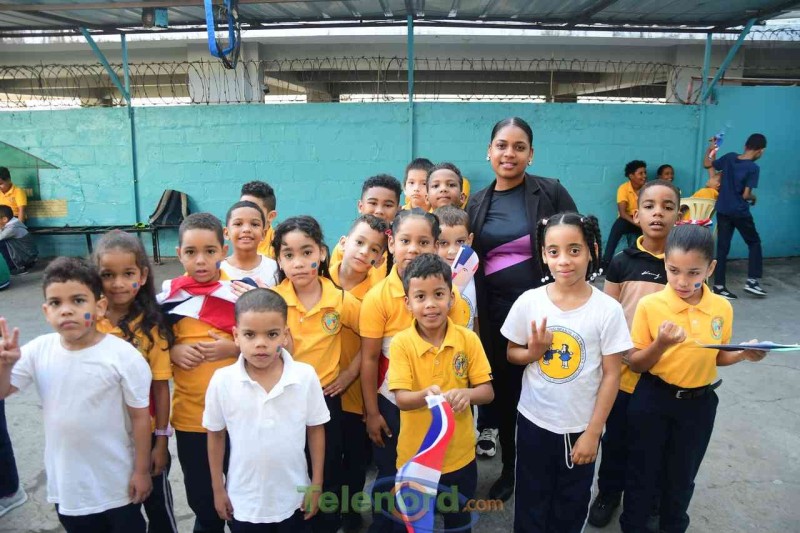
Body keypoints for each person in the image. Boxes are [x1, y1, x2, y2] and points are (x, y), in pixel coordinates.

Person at [619, 223, 768, 533]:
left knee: (682, 474)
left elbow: (718, 356)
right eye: (674, 271)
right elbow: (636, 364)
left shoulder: (721, 308)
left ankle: (673, 524)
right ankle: (633, 524)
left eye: (693, 273)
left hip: (698, 405)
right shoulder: (650, 306)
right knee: (643, 471)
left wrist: (743, 353)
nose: (682, 281)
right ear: (665, 264)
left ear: (710, 269)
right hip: (653, 399)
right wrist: (661, 344)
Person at [466, 116, 577, 500]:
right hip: (496, 316)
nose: (509, 153)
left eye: (519, 147)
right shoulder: (477, 202)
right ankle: (512, 470)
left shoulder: (550, 192)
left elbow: (577, 242)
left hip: (545, 315)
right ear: (489, 151)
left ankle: (554, 467)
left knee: (548, 391)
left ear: (531, 154)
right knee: (507, 395)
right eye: (501, 145)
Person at [0, 257, 152, 532]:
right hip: (69, 487)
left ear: (100, 307)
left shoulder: (123, 357)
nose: (66, 310)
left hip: (117, 484)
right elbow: (3, 391)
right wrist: (5, 366)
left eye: (78, 300)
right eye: (56, 303)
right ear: (46, 311)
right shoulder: (39, 350)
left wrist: (141, 471)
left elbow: (141, 418)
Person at [502, 213, 631, 533]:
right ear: (543, 255)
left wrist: (593, 432)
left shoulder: (607, 310)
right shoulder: (529, 302)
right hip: (533, 422)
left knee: (570, 505)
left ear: (592, 251)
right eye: (554, 251)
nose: (564, 260)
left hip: (580, 428)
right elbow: (512, 353)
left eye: (574, 250)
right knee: (530, 500)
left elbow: (612, 375)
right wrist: (532, 353)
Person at [359, 208, 471, 532]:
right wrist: (372, 413)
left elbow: (461, 350)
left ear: (436, 246)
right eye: (405, 240)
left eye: (423, 242)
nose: (413, 249)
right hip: (393, 405)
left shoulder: (452, 297)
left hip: (440, 405)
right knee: (392, 473)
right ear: (391, 243)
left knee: (440, 472)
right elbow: (369, 359)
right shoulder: (378, 298)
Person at [588, 179, 681, 528]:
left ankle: (650, 498)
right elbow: (607, 314)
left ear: (678, 216)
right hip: (625, 371)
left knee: (655, 443)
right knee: (617, 439)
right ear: (636, 214)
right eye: (649, 206)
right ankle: (609, 492)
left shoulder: (682, 263)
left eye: (668, 207)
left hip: (665, 373)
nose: (658, 213)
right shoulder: (622, 262)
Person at [204, 288, 329, 533]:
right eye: (249, 334)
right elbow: (215, 435)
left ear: (285, 335)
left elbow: (316, 430)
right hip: (244, 501)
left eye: (272, 334)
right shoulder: (222, 381)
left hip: (294, 498)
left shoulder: (304, 376)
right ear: (236, 336)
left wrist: (316, 484)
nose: (260, 343)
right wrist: (218, 489)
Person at [389, 253, 494, 532]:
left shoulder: (468, 339)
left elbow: (487, 392)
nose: (430, 304)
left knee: (458, 523)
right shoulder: (401, 344)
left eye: (438, 294)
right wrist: (425, 394)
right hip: (416, 459)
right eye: (420, 297)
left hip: (460, 459)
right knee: (415, 524)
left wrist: (467, 395)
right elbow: (402, 400)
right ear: (408, 303)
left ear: (451, 298)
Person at [270, 216, 361, 533]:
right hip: (282, 401)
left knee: (327, 470)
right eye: (289, 254)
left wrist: (350, 374)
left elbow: (372, 337)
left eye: (306, 252)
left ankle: (327, 523)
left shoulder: (340, 299)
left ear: (322, 253)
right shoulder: (273, 302)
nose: (298, 262)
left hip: (325, 401)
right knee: (290, 469)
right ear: (279, 259)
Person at [93, 231, 178, 532]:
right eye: (107, 275)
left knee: (159, 510)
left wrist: (161, 441)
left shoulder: (152, 327)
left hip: (147, 433)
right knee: (118, 508)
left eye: (127, 274)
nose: (117, 283)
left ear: (142, 276)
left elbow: (161, 388)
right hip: (104, 437)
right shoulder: (89, 324)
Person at [161, 213, 239, 533]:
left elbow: (268, 344)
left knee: (242, 489)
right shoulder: (167, 301)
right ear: (179, 254)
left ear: (224, 250)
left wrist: (234, 349)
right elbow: (149, 351)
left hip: (239, 416)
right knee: (202, 495)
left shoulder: (241, 294)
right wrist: (173, 352)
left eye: (210, 251)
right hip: (192, 418)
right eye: (191, 252)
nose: (201, 260)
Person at [328, 214, 389, 532]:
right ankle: (326, 511)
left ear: (380, 258)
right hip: (321, 388)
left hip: (354, 392)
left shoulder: (375, 293)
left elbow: (371, 348)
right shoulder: (319, 278)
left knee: (354, 459)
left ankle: (351, 512)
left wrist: (349, 375)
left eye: (374, 249)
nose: (365, 252)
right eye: (359, 242)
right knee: (325, 456)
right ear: (343, 243)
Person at [704, 133, 767, 299]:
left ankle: (719, 286)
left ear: (745, 146)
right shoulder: (753, 168)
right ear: (760, 151)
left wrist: (711, 149)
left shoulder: (730, 157)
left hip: (723, 210)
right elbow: (746, 195)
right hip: (739, 212)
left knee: (722, 248)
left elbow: (708, 164)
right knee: (754, 242)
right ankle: (752, 281)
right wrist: (754, 198)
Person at [329, 174, 403, 278]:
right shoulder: (344, 248)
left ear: (398, 211)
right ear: (360, 206)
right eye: (373, 203)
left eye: (388, 205)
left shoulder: (400, 251)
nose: (379, 211)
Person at [433, 205, 478, 332]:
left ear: (470, 240)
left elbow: (476, 320)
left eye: (460, 242)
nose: (452, 251)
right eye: (443, 243)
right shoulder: (429, 278)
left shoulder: (473, 273)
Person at [221, 201, 279, 288]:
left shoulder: (274, 269)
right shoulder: (217, 271)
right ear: (226, 233)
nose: (246, 229)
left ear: (263, 234)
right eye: (238, 224)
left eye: (254, 224)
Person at [602, 160, 647, 268]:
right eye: (640, 173)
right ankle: (605, 263)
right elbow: (622, 213)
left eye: (645, 173)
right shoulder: (624, 188)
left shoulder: (648, 189)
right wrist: (638, 225)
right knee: (618, 226)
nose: (644, 176)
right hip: (629, 220)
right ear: (631, 176)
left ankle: (648, 262)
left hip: (644, 220)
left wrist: (644, 224)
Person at [240, 181, 278, 259]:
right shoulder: (232, 240)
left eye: (253, 209)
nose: (244, 213)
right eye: (241, 207)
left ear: (271, 216)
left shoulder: (280, 247)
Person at [0, 205, 38, 275]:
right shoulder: (14, 222)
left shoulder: (12, 228)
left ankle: (14, 268)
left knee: (1, 244)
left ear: (4, 219)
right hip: (28, 256)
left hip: (26, 257)